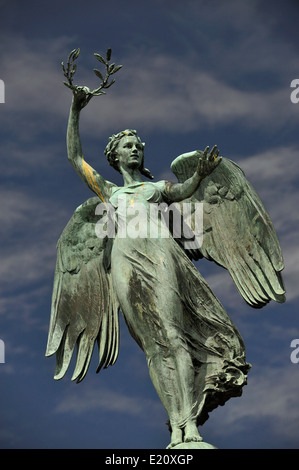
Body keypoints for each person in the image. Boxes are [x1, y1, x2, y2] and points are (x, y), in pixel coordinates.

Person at [64, 86, 250, 448]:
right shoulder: (110, 193)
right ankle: (176, 429)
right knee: (154, 347)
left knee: (175, 338)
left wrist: (200, 175)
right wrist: (76, 109)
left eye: (139, 144)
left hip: (161, 255)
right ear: (115, 156)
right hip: (124, 260)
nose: (136, 148)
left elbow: (183, 192)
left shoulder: (155, 189)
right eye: (128, 145)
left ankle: (190, 425)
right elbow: (74, 157)